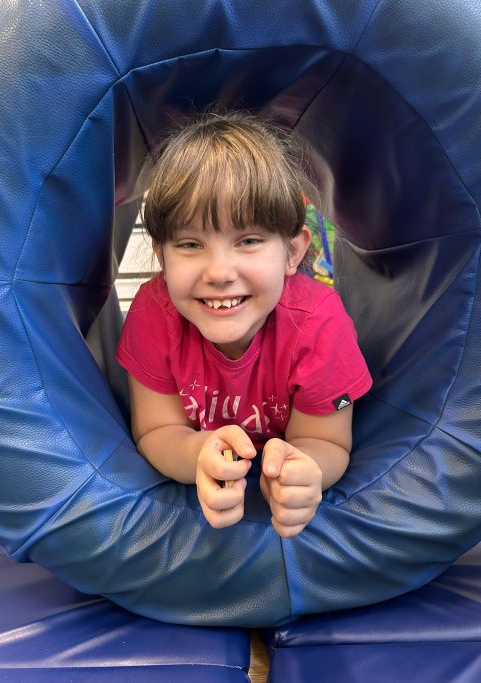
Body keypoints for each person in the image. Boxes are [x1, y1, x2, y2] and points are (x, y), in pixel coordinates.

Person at [116, 111, 372, 537]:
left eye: (249, 240)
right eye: (190, 244)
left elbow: (327, 441)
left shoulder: (319, 325)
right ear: (161, 256)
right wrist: (196, 454)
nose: (219, 272)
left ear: (293, 252)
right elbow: (156, 430)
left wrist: (297, 473)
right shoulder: (154, 312)